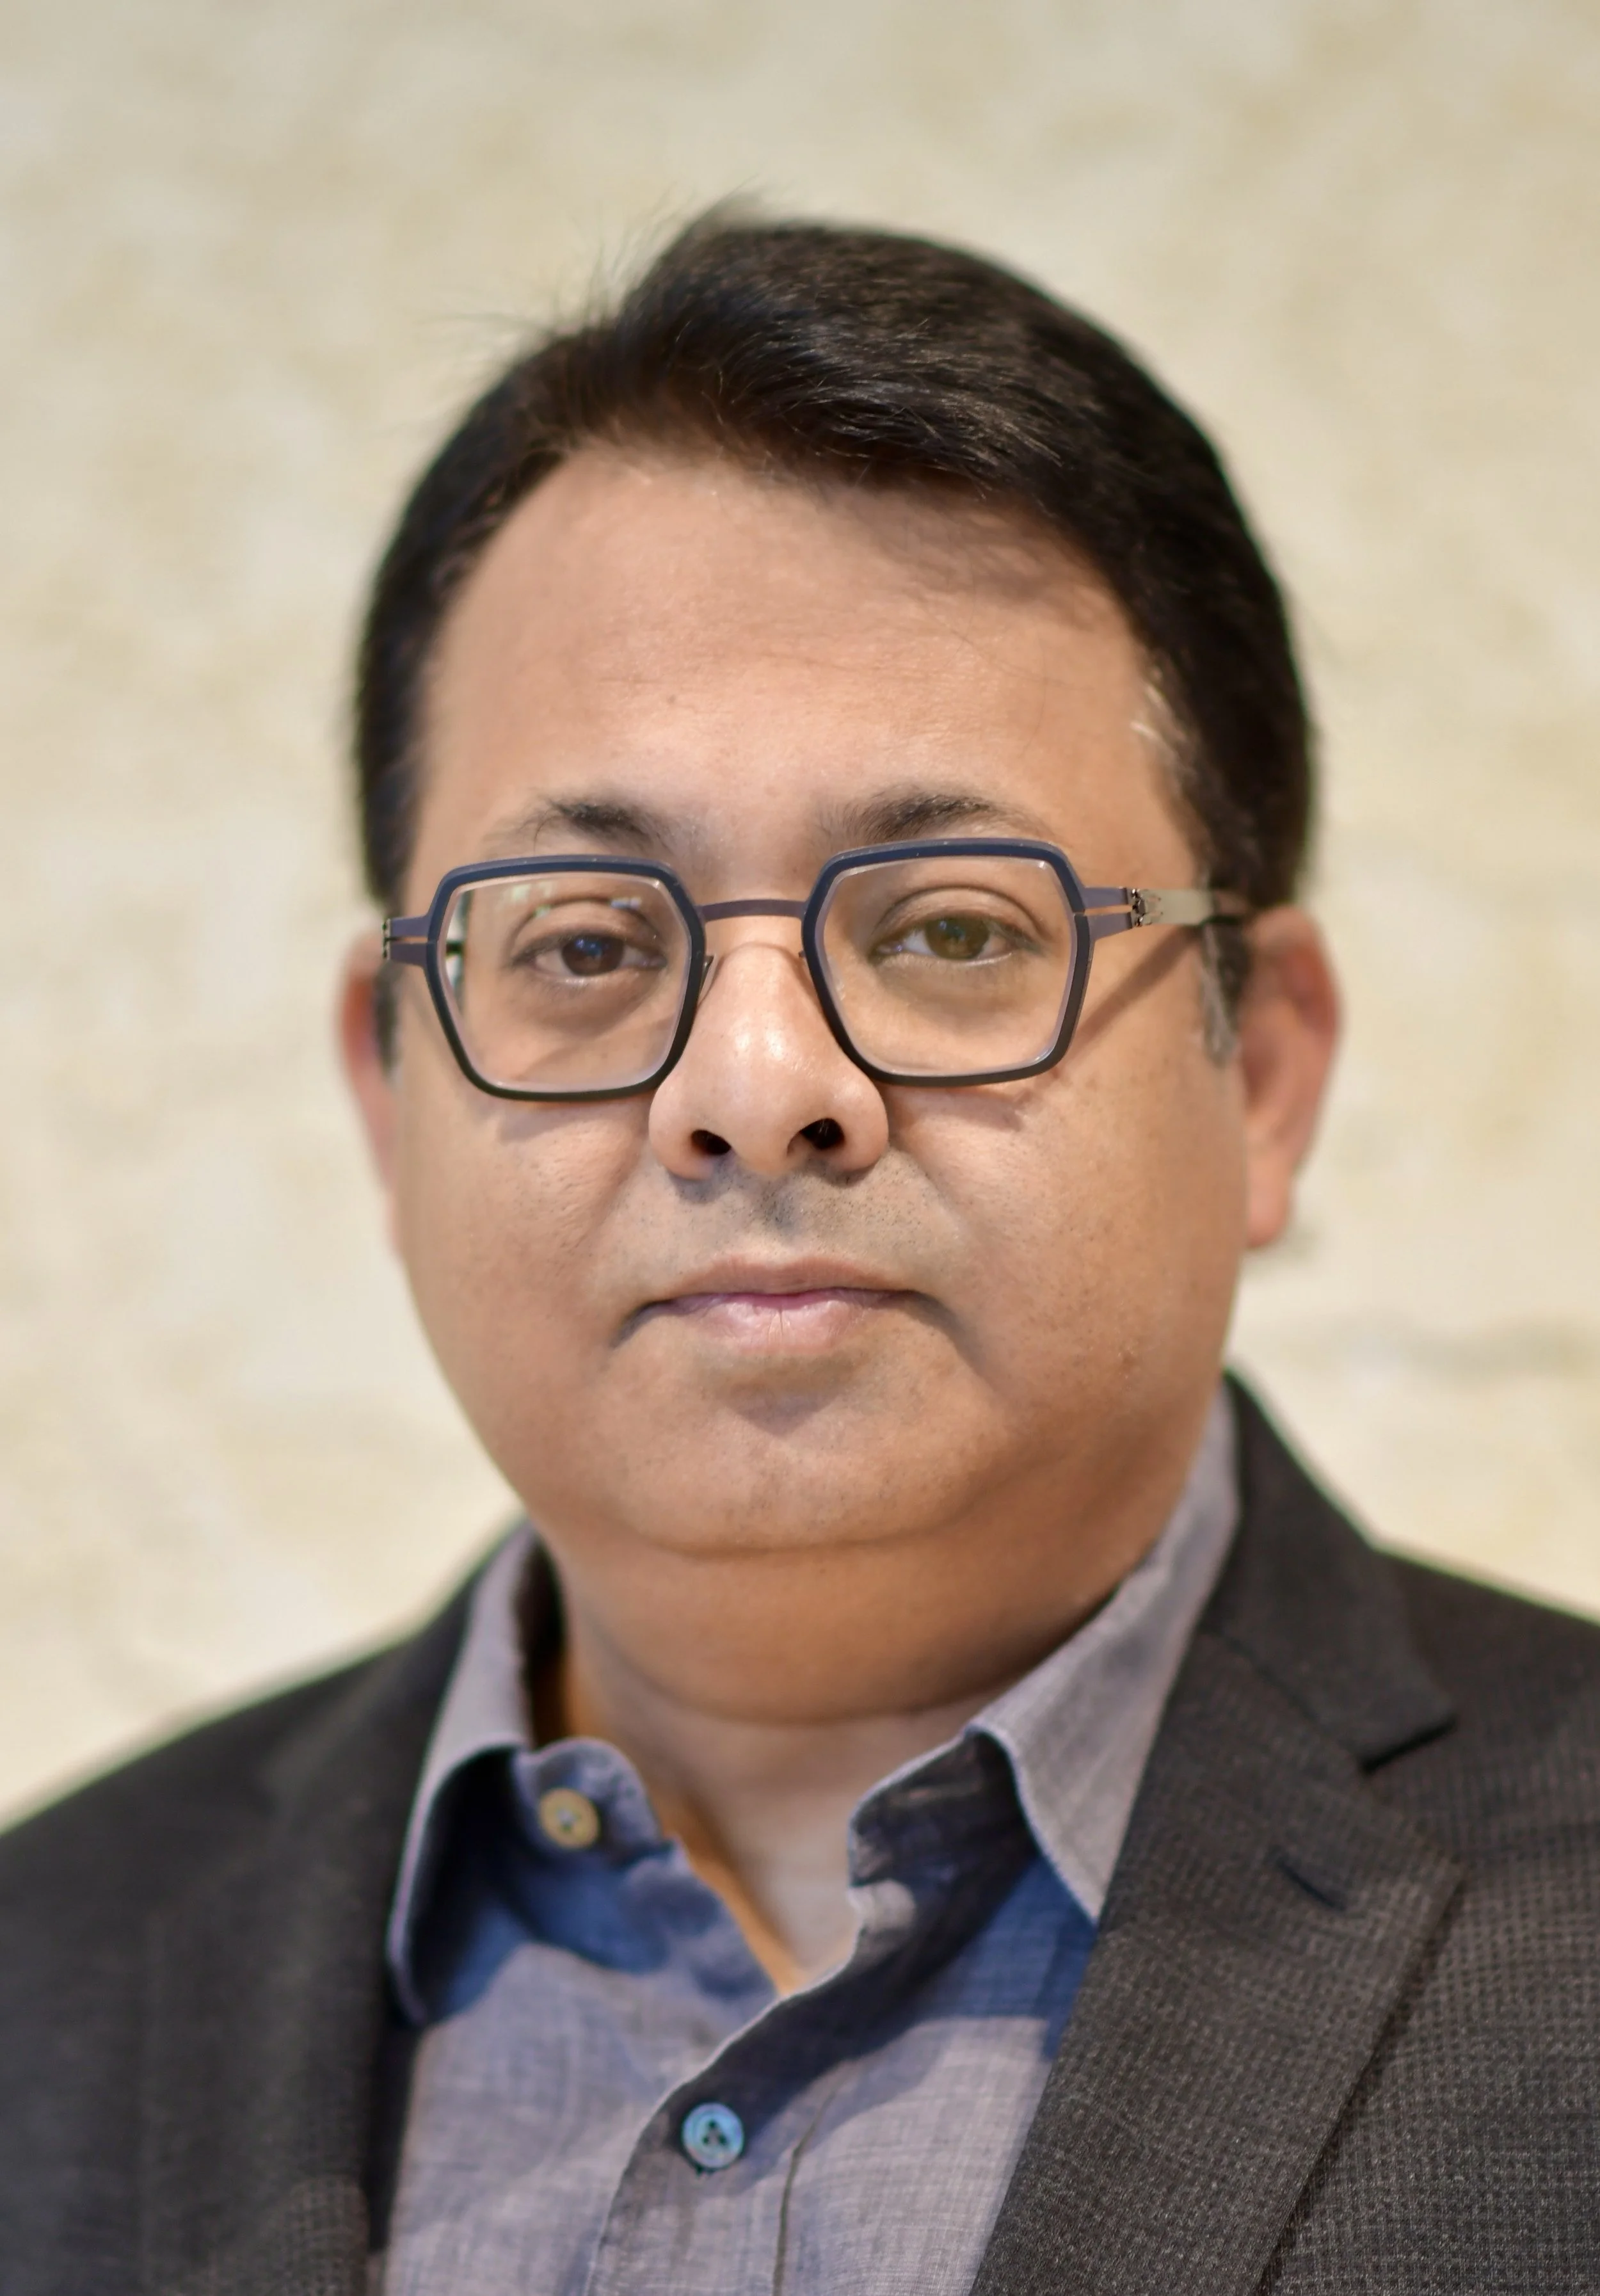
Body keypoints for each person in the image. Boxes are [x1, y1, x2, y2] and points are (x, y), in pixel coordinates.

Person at [2, 212, 1596, 2296]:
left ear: (1262, 1071)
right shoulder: (46, 1974)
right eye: (584, 948)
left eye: (949, 931)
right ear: (391, 1092)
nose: (754, 1086)